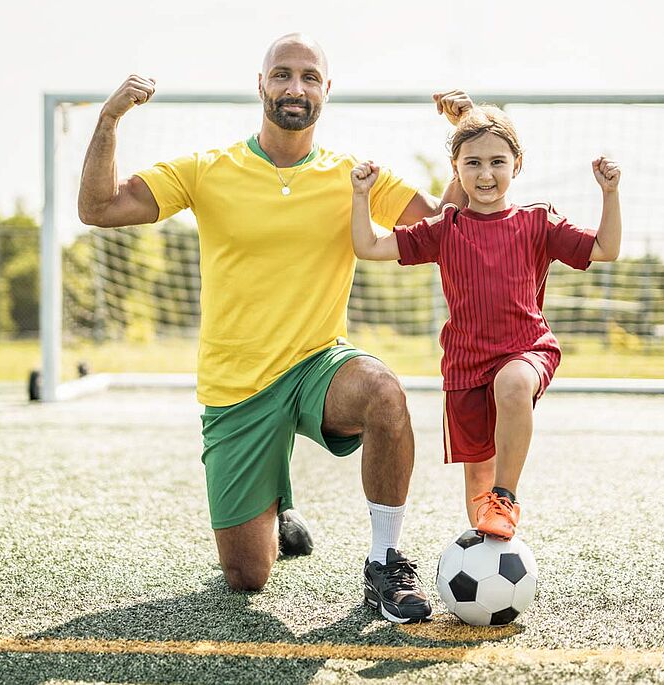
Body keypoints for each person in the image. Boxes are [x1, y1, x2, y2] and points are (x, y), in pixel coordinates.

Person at [77, 33, 472, 624]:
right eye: (282, 74)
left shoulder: (353, 175)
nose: (295, 87)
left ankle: (384, 563)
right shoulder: (207, 170)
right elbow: (99, 208)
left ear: (326, 90)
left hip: (318, 366)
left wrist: (465, 137)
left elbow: (446, 224)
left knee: (384, 391)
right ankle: (274, 506)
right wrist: (109, 120)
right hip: (236, 388)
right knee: (247, 577)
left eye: (309, 77)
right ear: (260, 84)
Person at [350, 105, 622, 541]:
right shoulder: (445, 227)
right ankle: (489, 544)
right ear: (456, 169)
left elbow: (605, 249)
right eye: (473, 163)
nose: (486, 174)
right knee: (479, 487)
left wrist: (610, 193)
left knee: (512, 384)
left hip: (526, 349)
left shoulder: (537, 221)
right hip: (466, 365)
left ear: (518, 164)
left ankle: (507, 496)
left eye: (497, 161)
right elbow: (368, 246)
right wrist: (361, 196)